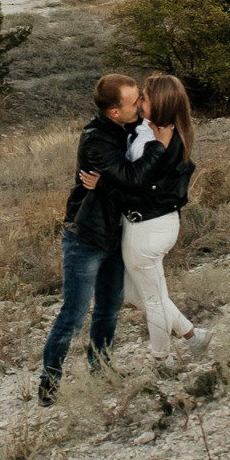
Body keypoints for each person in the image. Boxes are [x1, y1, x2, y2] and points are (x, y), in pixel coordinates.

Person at [38, 72, 147, 404]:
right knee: (73, 314)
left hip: (114, 233)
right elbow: (130, 180)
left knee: (109, 309)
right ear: (114, 111)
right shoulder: (96, 139)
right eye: (134, 101)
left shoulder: (130, 128)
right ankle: (49, 383)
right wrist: (118, 185)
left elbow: (127, 182)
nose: (141, 104)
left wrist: (103, 184)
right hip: (86, 237)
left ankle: (101, 371)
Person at [119, 71, 199, 362]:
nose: (140, 100)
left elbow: (136, 181)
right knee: (135, 294)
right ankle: (192, 335)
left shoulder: (168, 142)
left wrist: (157, 147)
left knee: (152, 301)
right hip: (139, 225)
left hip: (149, 227)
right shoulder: (146, 128)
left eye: (146, 97)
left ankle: (160, 359)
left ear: (161, 104)